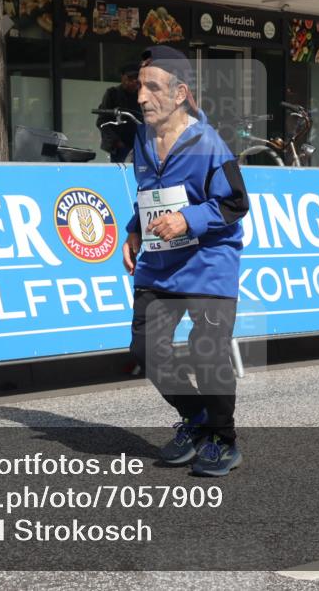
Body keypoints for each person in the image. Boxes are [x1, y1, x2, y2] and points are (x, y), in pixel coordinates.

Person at [123, 45, 249, 477]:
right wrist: (134, 229)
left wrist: (188, 219)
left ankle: (222, 439)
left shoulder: (209, 144)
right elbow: (149, 194)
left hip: (209, 262)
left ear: (179, 94)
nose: (141, 97)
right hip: (160, 262)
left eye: (152, 88)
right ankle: (197, 418)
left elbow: (235, 203)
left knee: (206, 352)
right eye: (139, 86)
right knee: (145, 348)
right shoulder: (142, 138)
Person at [96, 62, 142, 163]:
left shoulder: (142, 94)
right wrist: (116, 142)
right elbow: (101, 121)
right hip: (120, 146)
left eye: (136, 78)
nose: (133, 81)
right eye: (130, 78)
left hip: (140, 144)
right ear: (122, 77)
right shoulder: (112, 94)